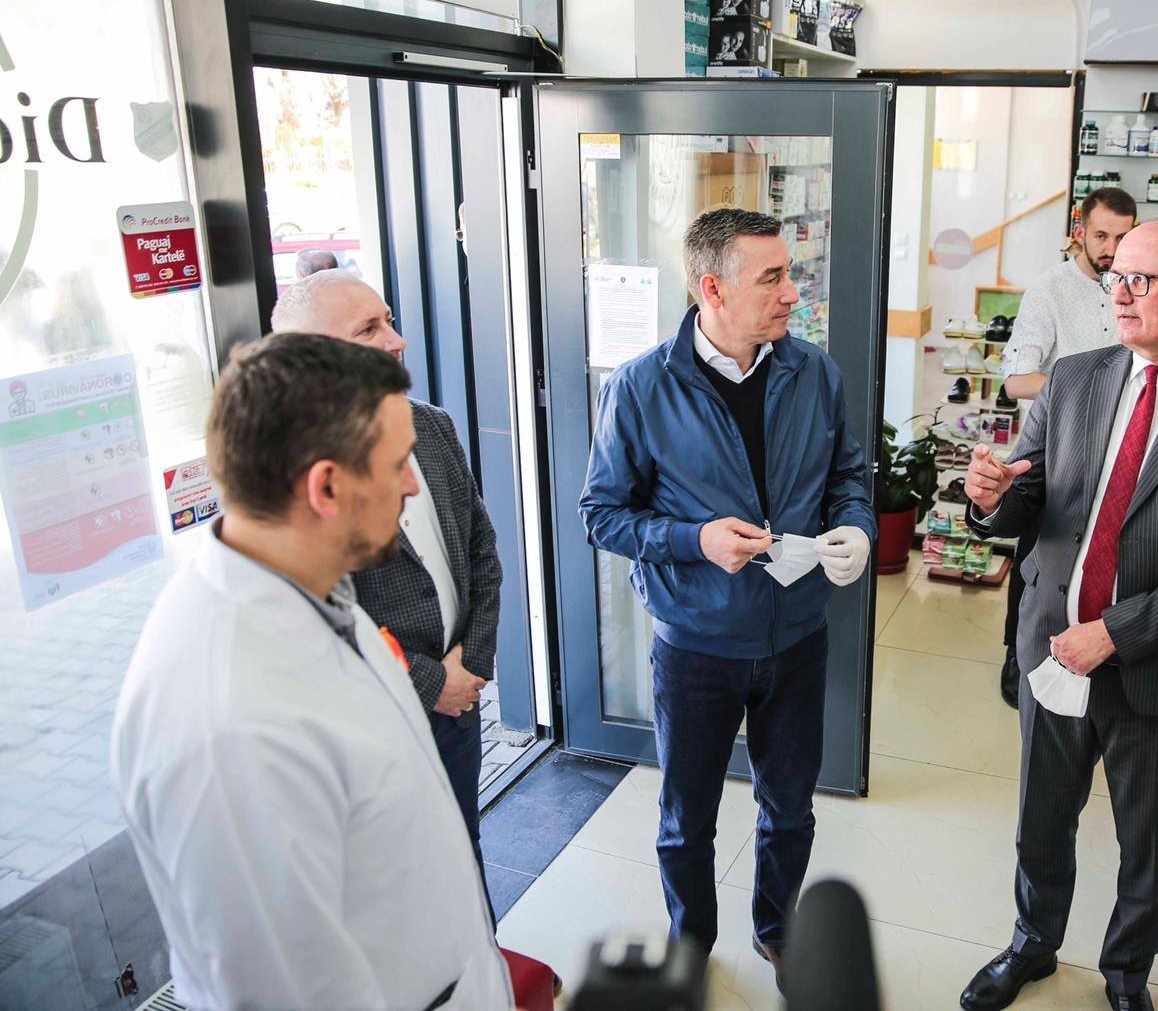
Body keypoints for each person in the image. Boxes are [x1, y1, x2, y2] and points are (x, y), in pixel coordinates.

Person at [110, 334, 514, 1010]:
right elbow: (291, 992)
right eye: (397, 465)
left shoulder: (316, 590)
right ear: (326, 486)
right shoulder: (228, 734)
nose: (413, 485)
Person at [957, 219, 1158, 1011]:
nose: (1121, 293)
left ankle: (1126, 974)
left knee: (1148, 842)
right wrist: (991, 499)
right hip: (1052, 648)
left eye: (1142, 279)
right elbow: (1032, 501)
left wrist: (1112, 634)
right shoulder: (1075, 377)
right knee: (1042, 820)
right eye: (1115, 278)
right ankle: (1032, 943)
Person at [580, 208, 875, 988]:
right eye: (772, 278)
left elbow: (848, 476)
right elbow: (601, 514)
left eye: (789, 274)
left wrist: (855, 528)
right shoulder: (640, 387)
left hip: (797, 635)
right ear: (712, 289)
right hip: (696, 645)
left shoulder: (815, 372)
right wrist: (695, 539)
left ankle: (777, 933)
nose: (792, 292)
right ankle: (691, 944)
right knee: (688, 821)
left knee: (792, 809)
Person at [271, 269, 502, 882]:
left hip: (459, 704)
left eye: (390, 321)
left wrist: (472, 663)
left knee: (462, 851)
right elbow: (325, 621)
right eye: (369, 329)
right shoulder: (292, 475)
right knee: (398, 876)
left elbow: (481, 548)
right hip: (375, 719)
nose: (396, 340)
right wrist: (431, 683)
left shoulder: (431, 425)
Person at [996, 186, 1137, 708]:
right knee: (1038, 558)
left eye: (1122, 237)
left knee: (1098, 560)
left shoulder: (1138, 288)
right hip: (1055, 454)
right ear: (1080, 232)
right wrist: (1090, 389)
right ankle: (1018, 658)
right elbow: (1015, 380)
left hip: (1119, 454)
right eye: (1101, 236)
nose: (1111, 249)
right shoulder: (1050, 289)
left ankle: (1084, 653)